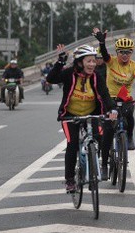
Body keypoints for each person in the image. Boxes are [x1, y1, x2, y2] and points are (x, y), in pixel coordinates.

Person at [46, 44, 117, 193]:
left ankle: (92, 171)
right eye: (88, 61)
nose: (92, 64)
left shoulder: (96, 76)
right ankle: (70, 180)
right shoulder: (69, 74)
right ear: (79, 62)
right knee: (72, 145)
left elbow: (104, 94)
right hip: (70, 116)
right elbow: (51, 79)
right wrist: (60, 61)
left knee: (97, 138)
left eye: (93, 61)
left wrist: (112, 109)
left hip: (91, 114)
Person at [93, 29, 135, 181]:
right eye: (122, 52)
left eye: (128, 52)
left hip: (125, 99)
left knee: (129, 114)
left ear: (131, 53)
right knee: (108, 132)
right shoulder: (111, 62)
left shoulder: (134, 66)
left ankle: (129, 137)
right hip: (110, 100)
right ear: (117, 52)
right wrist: (101, 43)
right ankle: (104, 165)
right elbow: (104, 54)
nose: (125, 55)